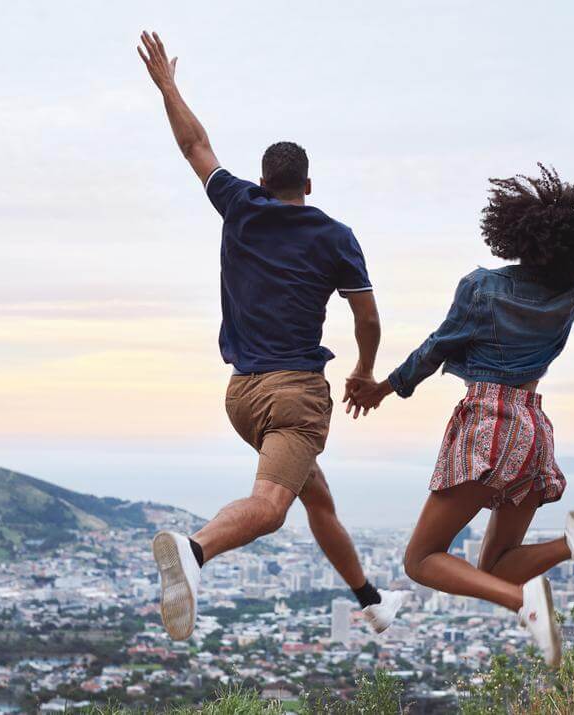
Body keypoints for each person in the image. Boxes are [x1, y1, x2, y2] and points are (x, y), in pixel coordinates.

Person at [346, 95, 574, 667]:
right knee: (492, 562)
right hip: (533, 430)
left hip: (489, 425)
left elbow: (436, 348)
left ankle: (523, 603)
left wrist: (383, 388)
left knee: (421, 560)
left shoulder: (482, 288)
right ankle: (573, 546)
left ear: (515, 233)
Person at [137, 31, 404, 641]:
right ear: (308, 185)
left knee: (319, 499)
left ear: (263, 181)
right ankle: (194, 550)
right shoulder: (336, 235)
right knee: (271, 509)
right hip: (294, 395)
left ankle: (371, 598)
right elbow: (368, 319)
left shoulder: (239, 205)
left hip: (242, 397)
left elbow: (195, 144)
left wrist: (169, 87)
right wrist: (364, 371)